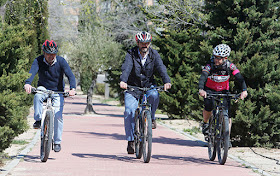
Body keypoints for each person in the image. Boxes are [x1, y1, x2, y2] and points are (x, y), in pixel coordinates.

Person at [120, 31, 172, 154]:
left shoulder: (154, 54)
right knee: (129, 111)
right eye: (142, 43)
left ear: (149, 43)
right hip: (132, 88)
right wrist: (123, 81)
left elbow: (161, 68)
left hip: (148, 87)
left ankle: (152, 117)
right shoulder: (131, 54)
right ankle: (131, 140)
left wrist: (166, 81)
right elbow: (126, 68)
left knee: (154, 95)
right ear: (137, 43)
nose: (144, 45)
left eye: (147, 43)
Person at [24, 39, 76, 152]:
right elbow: (31, 72)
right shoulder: (38, 61)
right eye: (48, 54)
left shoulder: (61, 61)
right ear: (44, 53)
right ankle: (38, 120)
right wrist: (27, 83)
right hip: (43, 88)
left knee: (58, 116)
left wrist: (73, 88)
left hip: (58, 91)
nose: (51, 57)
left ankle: (57, 141)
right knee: (37, 96)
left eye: (53, 54)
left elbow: (70, 76)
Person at [198, 44, 248, 147]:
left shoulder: (230, 66)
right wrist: (201, 89)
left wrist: (244, 90)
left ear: (225, 58)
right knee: (209, 107)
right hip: (210, 90)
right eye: (215, 57)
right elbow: (203, 77)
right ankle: (206, 123)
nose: (216, 59)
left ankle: (226, 138)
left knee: (227, 114)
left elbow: (239, 78)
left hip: (224, 91)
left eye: (219, 58)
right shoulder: (210, 65)